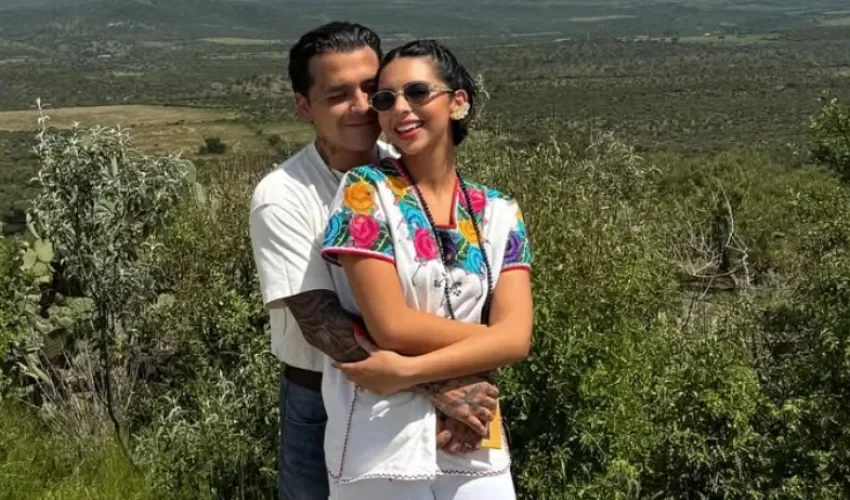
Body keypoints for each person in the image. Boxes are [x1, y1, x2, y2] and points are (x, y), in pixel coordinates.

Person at [249, 23, 501, 500]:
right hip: (326, 395)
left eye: (371, 89)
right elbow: (321, 322)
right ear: (304, 106)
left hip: (436, 379)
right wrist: (440, 383)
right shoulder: (282, 196)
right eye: (337, 95)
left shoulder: (405, 164)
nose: (362, 106)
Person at [319, 40, 534, 499]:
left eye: (417, 92)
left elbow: (518, 338)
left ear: (458, 102)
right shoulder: (364, 192)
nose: (401, 109)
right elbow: (392, 325)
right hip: (382, 438)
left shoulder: (499, 211)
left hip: (472, 429)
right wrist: (494, 341)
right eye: (386, 99)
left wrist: (406, 372)